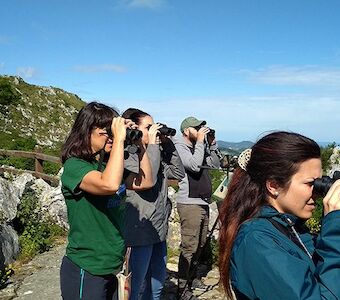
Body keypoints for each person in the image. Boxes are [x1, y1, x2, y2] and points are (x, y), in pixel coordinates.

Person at [218, 131, 340, 300]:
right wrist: (337, 228)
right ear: (273, 185)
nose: (318, 193)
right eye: (311, 183)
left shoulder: (291, 229)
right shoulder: (257, 241)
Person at [60, 102, 154, 299]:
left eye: (113, 132)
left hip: (113, 265)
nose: (111, 137)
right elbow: (109, 185)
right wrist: (119, 139)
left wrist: (141, 147)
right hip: (87, 267)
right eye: (106, 132)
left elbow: (146, 182)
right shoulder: (75, 167)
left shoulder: (107, 166)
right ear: (87, 132)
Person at [121, 108, 185, 300]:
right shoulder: (128, 156)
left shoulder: (156, 154)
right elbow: (147, 180)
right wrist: (152, 147)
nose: (154, 131)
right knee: (134, 286)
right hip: (140, 232)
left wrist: (169, 145)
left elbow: (179, 173)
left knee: (156, 286)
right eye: (148, 127)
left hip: (158, 230)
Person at [173, 116, 222, 297]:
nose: (201, 130)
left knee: (200, 244)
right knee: (189, 246)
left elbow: (214, 165)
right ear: (187, 131)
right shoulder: (179, 146)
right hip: (189, 201)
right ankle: (182, 287)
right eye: (197, 128)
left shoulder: (198, 146)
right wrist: (201, 142)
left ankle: (192, 277)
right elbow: (193, 166)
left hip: (202, 201)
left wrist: (212, 144)